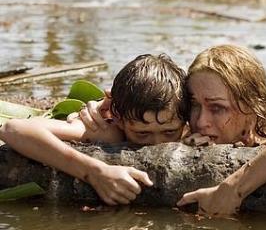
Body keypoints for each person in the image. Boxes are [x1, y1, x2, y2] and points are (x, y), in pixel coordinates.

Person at [78, 44, 266, 217]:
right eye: (194, 105)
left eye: (217, 108)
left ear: (253, 105)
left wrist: (232, 189)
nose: (201, 121)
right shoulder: (175, 135)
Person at [0, 54, 189, 206]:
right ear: (119, 118)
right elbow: (13, 129)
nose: (158, 144)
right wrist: (94, 172)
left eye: (170, 132)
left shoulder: (189, 130)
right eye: (142, 133)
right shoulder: (106, 130)